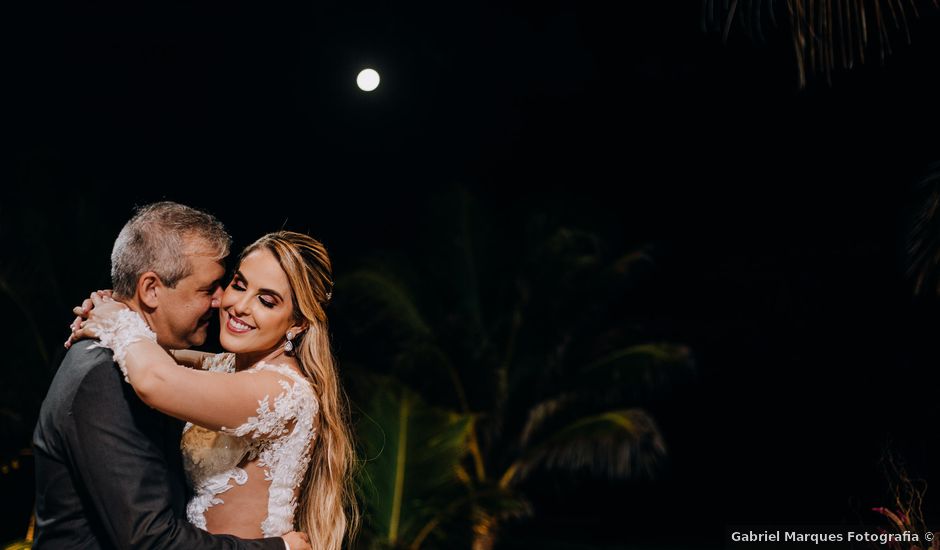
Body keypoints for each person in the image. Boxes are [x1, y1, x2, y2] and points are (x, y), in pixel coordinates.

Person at [33, 202, 311, 549]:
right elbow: (149, 538)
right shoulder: (103, 375)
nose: (225, 301)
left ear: (299, 323)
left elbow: (161, 374)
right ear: (150, 290)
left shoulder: (277, 388)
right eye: (213, 288)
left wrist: (118, 317)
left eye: (266, 300)